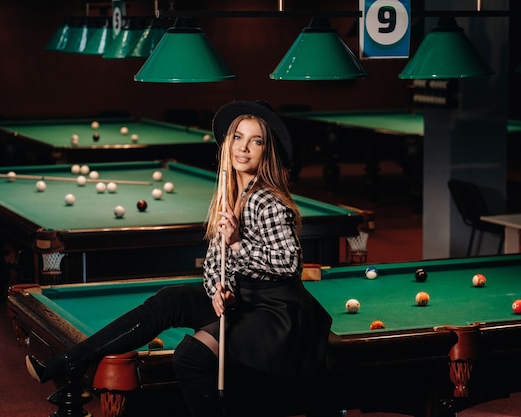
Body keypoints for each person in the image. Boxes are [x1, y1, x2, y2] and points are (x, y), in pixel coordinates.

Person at [25, 100, 332, 416]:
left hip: (276, 313)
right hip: (244, 299)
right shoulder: (228, 194)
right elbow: (215, 261)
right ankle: (70, 362)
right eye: (238, 137)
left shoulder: (267, 201)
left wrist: (239, 245)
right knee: (168, 301)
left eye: (256, 141)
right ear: (227, 143)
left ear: (267, 151)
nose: (244, 148)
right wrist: (217, 293)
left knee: (190, 355)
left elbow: (288, 263)